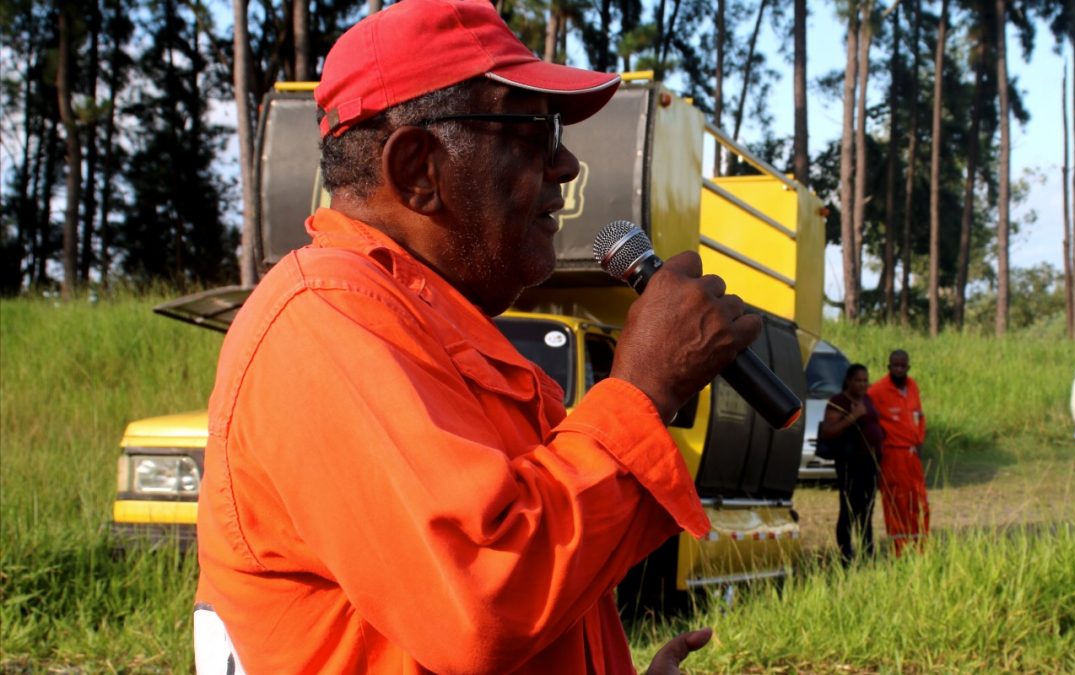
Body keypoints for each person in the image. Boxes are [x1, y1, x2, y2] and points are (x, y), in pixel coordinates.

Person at [192, 0, 762, 672]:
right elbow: (487, 601)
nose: (568, 165)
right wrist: (644, 388)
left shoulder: (427, 326)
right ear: (418, 170)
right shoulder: (320, 323)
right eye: (536, 133)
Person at [867, 349, 930, 556]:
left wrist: (920, 441)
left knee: (919, 501)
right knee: (897, 502)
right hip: (893, 455)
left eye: (903, 365)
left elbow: (918, 415)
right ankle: (900, 550)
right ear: (889, 367)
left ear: (908, 367)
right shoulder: (878, 390)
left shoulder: (912, 386)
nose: (899, 369)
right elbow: (867, 417)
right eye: (895, 365)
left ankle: (920, 546)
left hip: (912, 455)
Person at [820, 363, 883, 565]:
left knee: (868, 509)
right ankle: (845, 554)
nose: (863, 384)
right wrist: (853, 417)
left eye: (865, 380)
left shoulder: (867, 400)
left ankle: (867, 551)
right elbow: (829, 431)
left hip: (870, 462)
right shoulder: (838, 401)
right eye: (858, 380)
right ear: (848, 380)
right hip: (850, 462)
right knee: (849, 509)